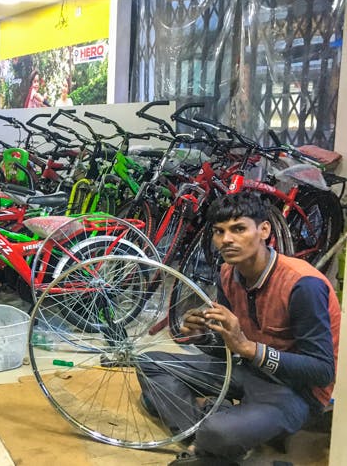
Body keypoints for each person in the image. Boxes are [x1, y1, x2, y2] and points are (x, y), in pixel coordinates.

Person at [138, 192, 340, 466]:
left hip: (295, 390)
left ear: (264, 230)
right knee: (148, 363)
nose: (226, 240)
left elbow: (322, 371)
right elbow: (228, 349)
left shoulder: (302, 284)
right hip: (245, 370)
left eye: (239, 229)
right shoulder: (227, 274)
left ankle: (212, 435)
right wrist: (203, 336)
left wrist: (248, 348)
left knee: (217, 430)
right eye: (219, 232)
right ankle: (209, 440)